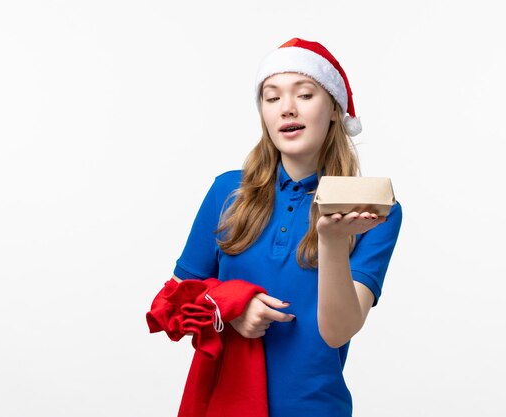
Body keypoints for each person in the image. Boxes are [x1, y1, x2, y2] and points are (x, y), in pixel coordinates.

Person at [171, 38, 402, 417]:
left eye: (305, 94)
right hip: (223, 406)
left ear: (333, 109)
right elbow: (177, 300)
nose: (287, 109)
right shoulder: (227, 191)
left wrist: (330, 239)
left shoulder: (374, 210)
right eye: (272, 97)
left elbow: (338, 331)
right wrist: (231, 306)